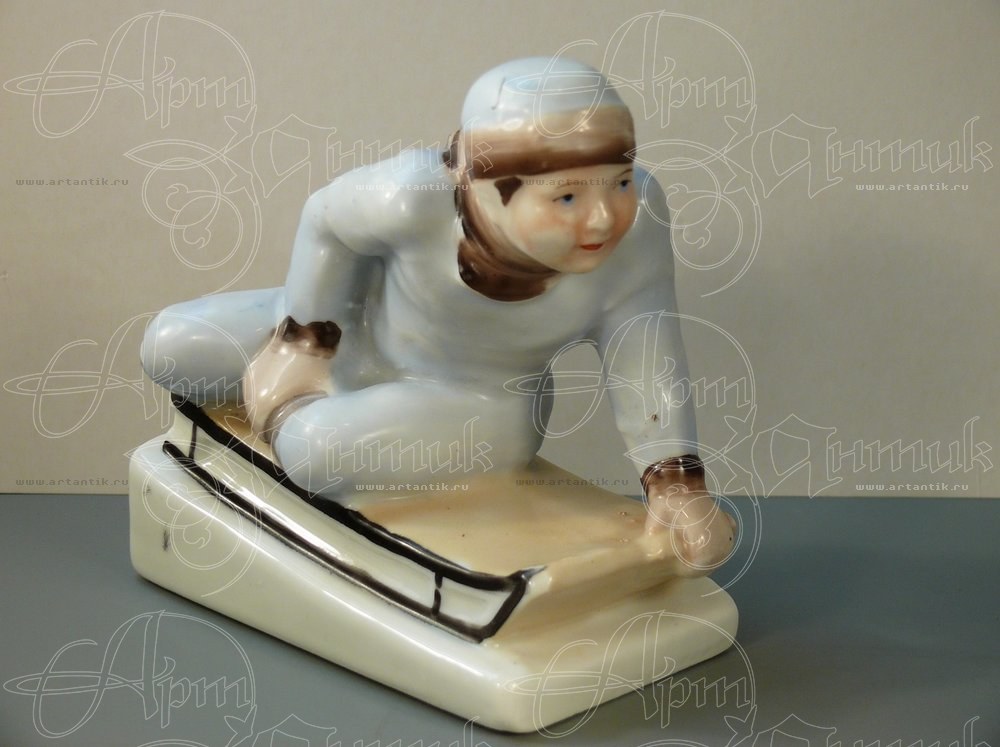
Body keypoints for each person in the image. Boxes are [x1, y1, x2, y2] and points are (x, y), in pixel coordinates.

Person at [142, 57, 735, 574]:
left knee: (314, 449)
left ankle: (318, 457)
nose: (604, 218)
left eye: (621, 182)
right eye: (567, 197)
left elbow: (644, 350)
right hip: (353, 324)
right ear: (486, 186)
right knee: (170, 345)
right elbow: (327, 219)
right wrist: (302, 343)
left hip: (476, 398)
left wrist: (675, 482)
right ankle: (300, 412)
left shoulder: (638, 228)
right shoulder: (413, 195)